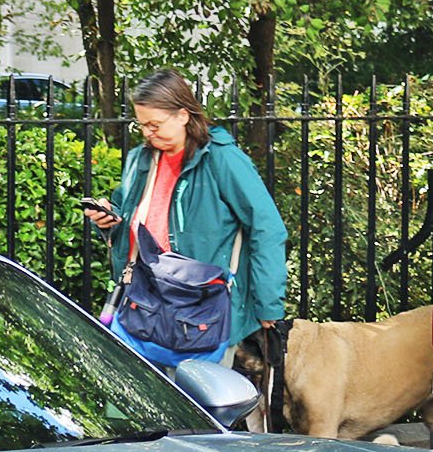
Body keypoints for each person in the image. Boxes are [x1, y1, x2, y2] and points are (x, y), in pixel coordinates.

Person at [90, 70, 288, 368]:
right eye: (142, 125)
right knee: (135, 408)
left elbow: (266, 228)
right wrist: (108, 221)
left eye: (155, 124)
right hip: (143, 306)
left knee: (199, 410)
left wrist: (268, 304)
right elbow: (129, 217)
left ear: (183, 115)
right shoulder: (140, 159)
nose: (147, 133)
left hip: (203, 313)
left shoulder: (222, 159)